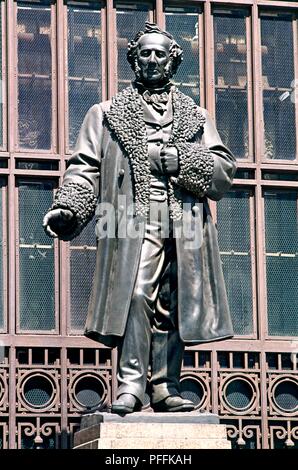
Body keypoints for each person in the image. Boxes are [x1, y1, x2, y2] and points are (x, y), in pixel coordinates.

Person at [43, 22, 236, 414]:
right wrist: (68, 208)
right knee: (134, 294)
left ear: (172, 61)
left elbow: (223, 171)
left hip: (186, 224)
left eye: (158, 53)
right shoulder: (106, 113)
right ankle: (131, 385)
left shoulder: (197, 116)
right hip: (130, 221)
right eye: (143, 53)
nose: (151, 59)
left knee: (172, 299)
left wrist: (182, 160)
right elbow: (84, 167)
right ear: (133, 59)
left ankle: (165, 385)